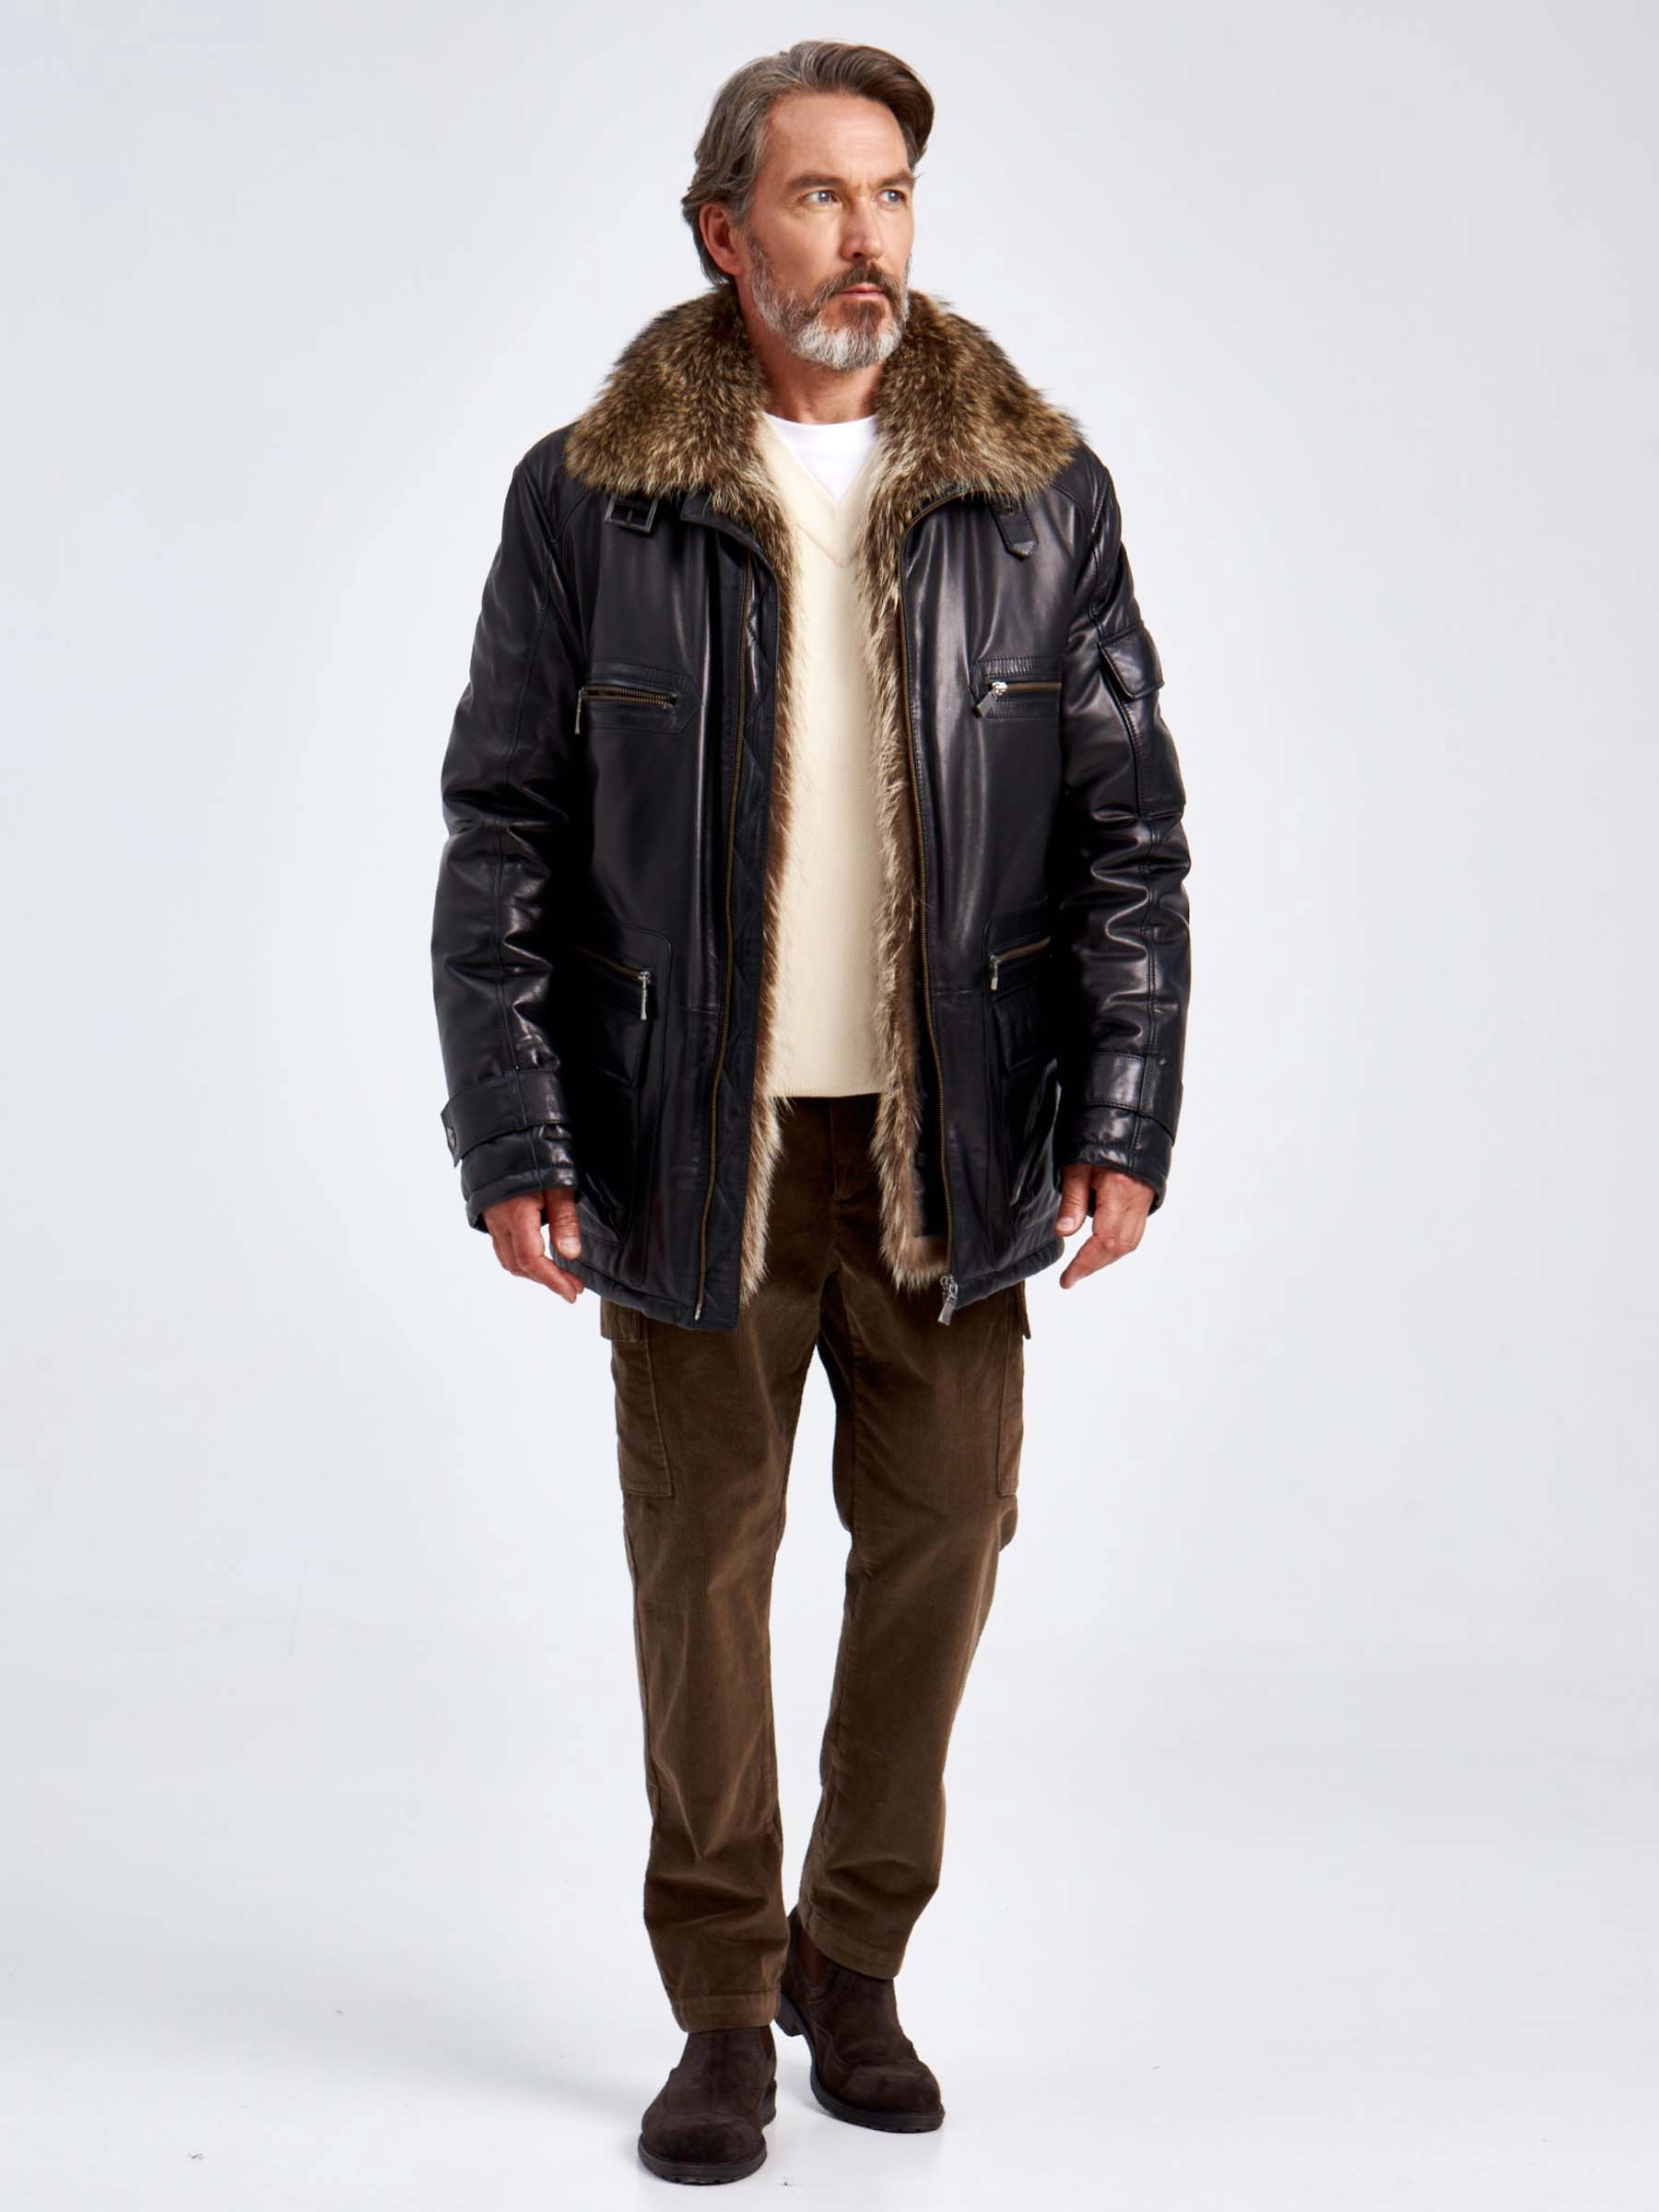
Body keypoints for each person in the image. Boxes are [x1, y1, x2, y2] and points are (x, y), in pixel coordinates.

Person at [429, 37, 1193, 2187]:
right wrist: (518, 1138)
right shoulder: (592, 498)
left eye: (893, 192)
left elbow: (1129, 833)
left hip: (961, 1142)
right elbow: (504, 835)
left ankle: (853, 1963)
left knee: (943, 1549)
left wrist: (1124, 1108)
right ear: (722, 231)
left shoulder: (1039, 497)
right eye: (818, 193)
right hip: (693, 1144)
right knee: (701, 1577)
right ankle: (719, 2005)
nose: (866, 234)